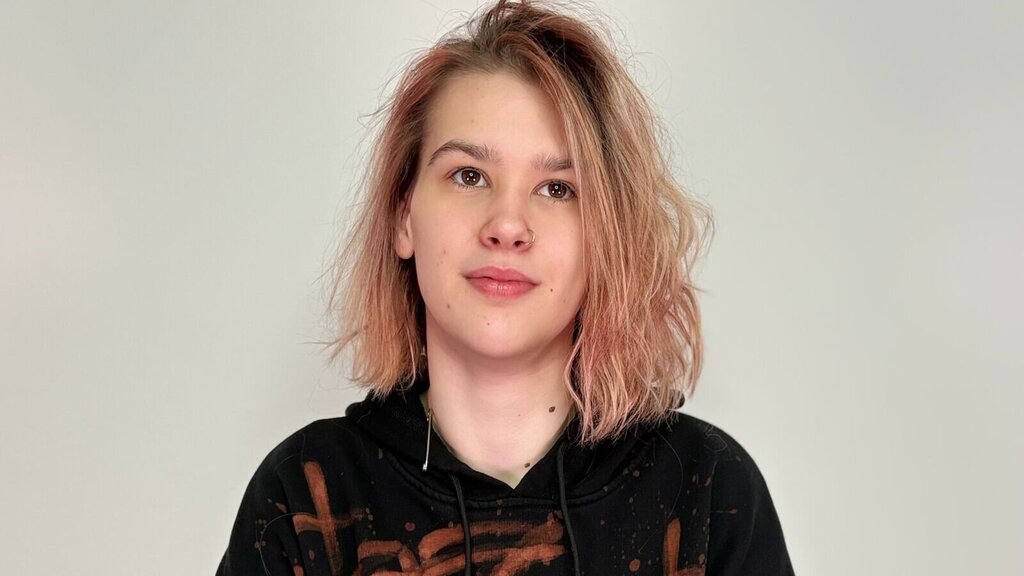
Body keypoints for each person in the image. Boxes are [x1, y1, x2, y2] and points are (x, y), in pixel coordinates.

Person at [217, 1, 794, 574]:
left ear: (608, 235)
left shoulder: (707, 491)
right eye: (469, 176)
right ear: (403, 216)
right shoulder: (304, 499)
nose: (508, 226)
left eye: (558, 188)